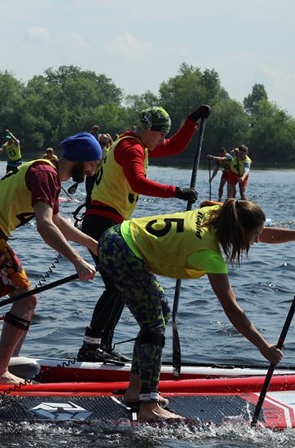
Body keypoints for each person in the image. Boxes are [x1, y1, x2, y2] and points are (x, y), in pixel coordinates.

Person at [97, 199, 295, 421]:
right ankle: (149, 405)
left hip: (117, 235)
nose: (257, 241)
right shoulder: (209, 254)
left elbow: (246, 225)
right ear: (238, 232)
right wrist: (264, 347)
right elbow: (232, 309)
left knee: (159, 315)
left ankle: (136, 390)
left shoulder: (221, 213)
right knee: (153, 324)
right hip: (122, 248)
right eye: (254, 237)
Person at [0, 132, 102, 385]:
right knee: (26, 301)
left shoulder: (49, 174)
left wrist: (93, 245)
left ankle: (9, 364)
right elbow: (45, 225)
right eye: (92, 164)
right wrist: (77, 261)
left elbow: (58, 221)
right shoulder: (45, 174)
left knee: (27, 301)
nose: (92, 172)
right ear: (80, 159)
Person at [76, 104, 210, 364]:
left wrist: (191, 121)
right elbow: (138, 182)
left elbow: (174, 147)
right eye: (160, 134)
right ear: (148, 130)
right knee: (117, 286)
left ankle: (103, 345)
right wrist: (176, 191)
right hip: (102, 222)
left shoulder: (139, 144)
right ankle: (91, 345)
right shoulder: (130, 148)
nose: (162, 140)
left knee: (120, 287)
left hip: (110, 222)